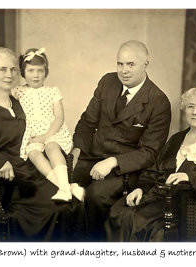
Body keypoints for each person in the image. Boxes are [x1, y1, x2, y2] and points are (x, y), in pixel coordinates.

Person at [0, 47, 85, 241]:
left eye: (13, 69)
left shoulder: (18, 99)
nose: (9, 75)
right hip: (7, 180)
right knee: (54, 209)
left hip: (29, 169)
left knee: (72, 204)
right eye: (3, 69)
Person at [105, 86, 196, 241]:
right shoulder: (176, 139)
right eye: (190, 106)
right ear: (184, 109)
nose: (195, 112)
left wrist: (189, 176)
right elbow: (154, 170)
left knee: (142, 222)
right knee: (118, 212)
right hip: (160, 197)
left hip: (190, 204)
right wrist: (141, 188)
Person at [71, 40, 171, 240]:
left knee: (95, 196)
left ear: (145, 64)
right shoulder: (107, 82)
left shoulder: (158, 101)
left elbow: (149, 152)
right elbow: (87, 123)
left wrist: (113, 162)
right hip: (91, 156)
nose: (124, 70)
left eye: (131, 64)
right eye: (120, 64)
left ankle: (92, 248)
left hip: (125, 170)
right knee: (58, 182)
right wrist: (76, 151)